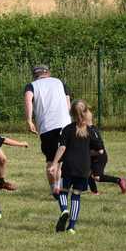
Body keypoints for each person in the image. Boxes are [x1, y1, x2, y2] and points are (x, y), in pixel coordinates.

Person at [48, 100, 102, 234]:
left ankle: (64, 210)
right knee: (77, 195)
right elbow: (100, 150)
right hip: (84, 168)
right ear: (86, 113)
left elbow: (62, 148)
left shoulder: (67, 129)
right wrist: (87, 153)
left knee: (63, 191)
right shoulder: (91, 131)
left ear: (71, 114)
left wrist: (54, 164)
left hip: (69, 166)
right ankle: (71, 227)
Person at [23, 65, 72, 197]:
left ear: (35, 75)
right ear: (48, 73)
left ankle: (53, 189)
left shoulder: (31, 86)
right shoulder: (60, 82)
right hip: (65, 124)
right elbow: (68, 104)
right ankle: (59, 186)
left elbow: (28, 100)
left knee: (50, 159)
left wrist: (29, 120)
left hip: (47, 127)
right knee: (61, 159)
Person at [86, 116, 126, 195]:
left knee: (97, 177)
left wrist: (86, 153)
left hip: (99, 157)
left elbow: (100, 151)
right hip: (93, 156)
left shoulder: (92, 132)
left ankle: (119, 180)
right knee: (87, 172)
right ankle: (94, 192)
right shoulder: (89, 129)